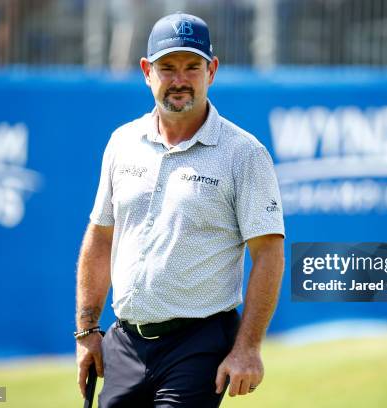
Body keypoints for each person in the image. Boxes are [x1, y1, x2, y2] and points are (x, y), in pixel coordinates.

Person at [75, 12, 285, 408]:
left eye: (192, 67)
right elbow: (101, 236)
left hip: (199, 343)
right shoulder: (123, 142)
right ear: (146, 71)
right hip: (126, 343)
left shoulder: (244, 154)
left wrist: (248, 348)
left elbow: (269, 254)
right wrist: (87, 331)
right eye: (167, 68)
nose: (179, 80)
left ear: (212, 71)